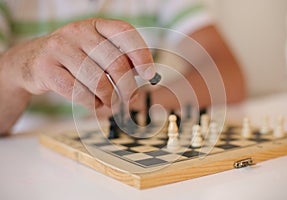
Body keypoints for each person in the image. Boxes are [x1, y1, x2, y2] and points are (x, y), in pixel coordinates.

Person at [0, 0, 246, 135]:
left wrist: (135, 104)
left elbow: (229, 76)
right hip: (30, 152)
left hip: (126, 143)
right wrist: (17, 69)